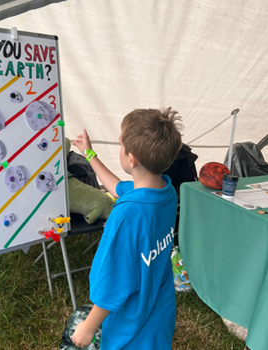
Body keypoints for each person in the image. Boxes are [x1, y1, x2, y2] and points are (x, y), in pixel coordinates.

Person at [71, 107, 183, 349]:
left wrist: (88, 327)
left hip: (130, 329)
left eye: (121, 145)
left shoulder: (126, 216)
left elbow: (115, 281)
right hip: (159, 315)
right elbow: (118, 187)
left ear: (131, 159)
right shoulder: (165, 191)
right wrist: (89, 154)